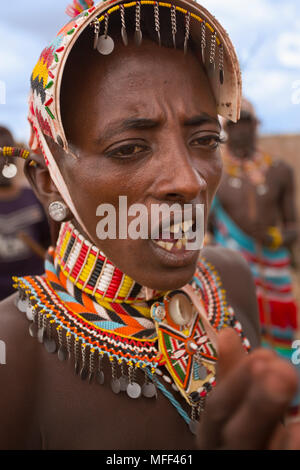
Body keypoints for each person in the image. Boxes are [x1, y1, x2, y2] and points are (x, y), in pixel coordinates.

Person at [0, 0, 299, 450]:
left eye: (204, 140)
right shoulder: (14, 354)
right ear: (48, 182)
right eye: (129, 148)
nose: (189, 180)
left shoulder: (231, 277)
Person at [209, 99, 299, 379]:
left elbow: (293, 225)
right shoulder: (214, 176)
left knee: (282, 342)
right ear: (225, 129)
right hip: (234, 273)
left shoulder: (278, 172)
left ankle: (285, 399)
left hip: (274, 273)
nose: (241, 131)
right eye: (234, 125)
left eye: (246, 123)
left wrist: (275, 238)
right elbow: (207, 228)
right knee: (240, 336)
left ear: (256, 126)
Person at [0, 126, 51, 300]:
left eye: (5, 153)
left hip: (37, 290)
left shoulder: (34, 196)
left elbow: (49, 241)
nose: (2, 162)